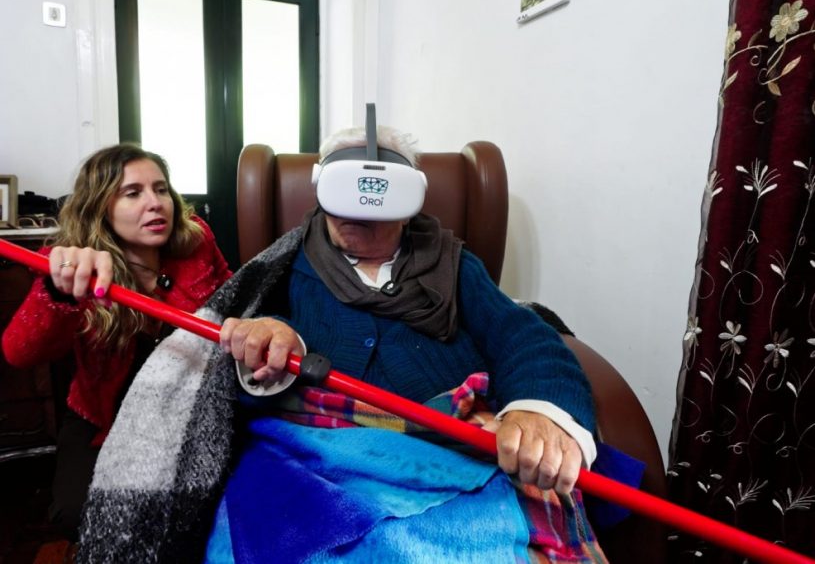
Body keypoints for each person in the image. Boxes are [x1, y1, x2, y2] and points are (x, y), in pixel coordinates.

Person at [76, 117, 603, 563]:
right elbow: (243, 345)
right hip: (312, 452)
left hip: (445, 445)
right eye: (343, 200)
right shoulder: (288, 263)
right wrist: (269, 338)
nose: (357, 217)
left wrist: (539, 413)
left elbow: (521, 333)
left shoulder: (454, 263)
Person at [1, 143, 232, 540]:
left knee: (214, 506)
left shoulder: (196, 241)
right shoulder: (71, 266)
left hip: (189, 406)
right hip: (104, 416)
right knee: (78, 513)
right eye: (132, 193)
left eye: (161, 189)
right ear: (100, 208)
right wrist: (58, 294)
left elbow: (232, 296)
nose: (155, 203)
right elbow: (18, 352)